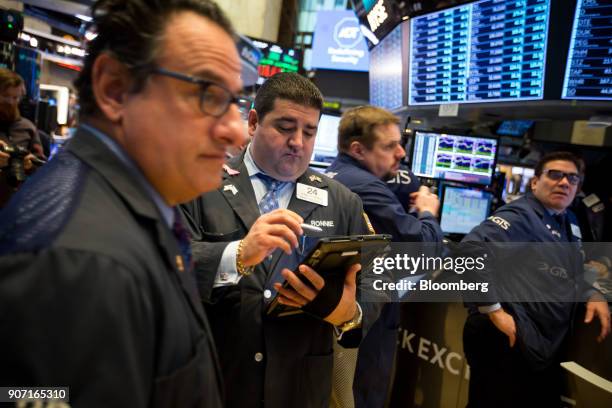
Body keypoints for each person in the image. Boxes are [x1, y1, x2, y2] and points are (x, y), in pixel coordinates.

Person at [0, 0, 247, 406]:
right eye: (207, 93)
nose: (236, 131)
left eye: (236, 101)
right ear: (115, 89)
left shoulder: (133, 211)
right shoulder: (79, 264)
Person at [180, 72, 380, 408]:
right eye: (285, 128)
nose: (298, 142)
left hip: (299, 387)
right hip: (217, 380)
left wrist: (351, 314)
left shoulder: (343, 201)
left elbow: (374, 289)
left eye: (309, 132)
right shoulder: (199, 184)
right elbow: (167, 264)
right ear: (254, 122)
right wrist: (238, 253)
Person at [462, 151, 611, 407]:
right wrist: (493, 310)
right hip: (507, 338)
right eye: (555, 175)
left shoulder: (569, 221)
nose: (564, 182)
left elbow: (567, 269)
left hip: (538, 346)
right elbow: (468, 251)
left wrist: (591, 292)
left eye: (572, 179)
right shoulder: (522, 216)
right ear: (534, 182)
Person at [326, 105, 443, 407]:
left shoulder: (335, 173)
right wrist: (428, 213)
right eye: (389, 146)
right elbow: (425, 247)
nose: (401, 153)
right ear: (358, 149)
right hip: (364, 323)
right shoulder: (366, 187)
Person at [0, 68, 45, 207]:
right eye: (6, 96)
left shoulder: (28, 128)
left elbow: (43, 168)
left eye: (16, 98)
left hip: (15, 207)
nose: (11, 103)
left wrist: (31, 165)